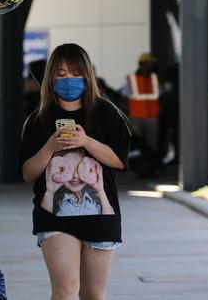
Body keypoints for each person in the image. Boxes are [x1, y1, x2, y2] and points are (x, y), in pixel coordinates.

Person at [19, 43, 130, 300]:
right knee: (66, 289)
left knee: (92, 294)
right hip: (54, 217)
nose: (69, 80)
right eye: (61, 74)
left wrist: (86, 142)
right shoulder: (38, 120)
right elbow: (27, 172)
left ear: (87, 75)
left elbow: (119, 161)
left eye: (76, 73)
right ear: (50, 78)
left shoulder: (107, 113)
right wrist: (50, 147)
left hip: (101, 216)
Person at [124, 52, 160, 175]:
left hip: (152, 117)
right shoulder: (132, 79)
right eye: (149, 64)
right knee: (137, 145)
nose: (151, 66)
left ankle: (150, 168)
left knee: (151, 145)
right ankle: (137, 168)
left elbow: (160, 95)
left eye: (152, 64)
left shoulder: (154, 78)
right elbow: (124, 96)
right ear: (142, 64)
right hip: (137, 116)